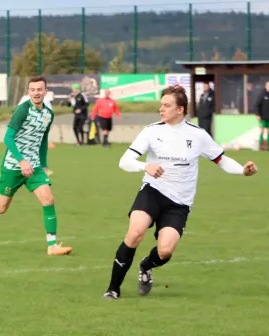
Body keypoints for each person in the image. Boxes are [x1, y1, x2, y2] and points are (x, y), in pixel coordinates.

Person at [102, 85, 258, 300]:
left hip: (179, 203)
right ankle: (113, 289)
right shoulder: (152, 131)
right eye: (161, 105)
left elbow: (221, 160)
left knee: (165, 251)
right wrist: (144, 167)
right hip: (153, 192)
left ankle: (146, 266)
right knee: (135, 232)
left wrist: (242, 170)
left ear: (180, 110)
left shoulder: (198, 135)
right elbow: (125, 161)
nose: (161, 109)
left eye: (167, 105)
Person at [0, 76, 73, 256]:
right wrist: (21, 161)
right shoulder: (22, 111)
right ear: (29, 92)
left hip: (34, 167)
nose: (36, 93)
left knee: (48, 200)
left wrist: (43, 164)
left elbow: (43, 140)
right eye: (32, 90)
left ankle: (52, 246)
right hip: (13, 166)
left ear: (45, 92)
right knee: (1, 208)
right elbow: (7, 138)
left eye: (39, 90)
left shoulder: (49, 113)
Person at [253, 81, 269, 151]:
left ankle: (268, 147)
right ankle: (261, 146)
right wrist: (257, 114)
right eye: (268, 86)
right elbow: (256, 105)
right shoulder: (261, 95)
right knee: (262, 131)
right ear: (265, 86)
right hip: (262, 117)